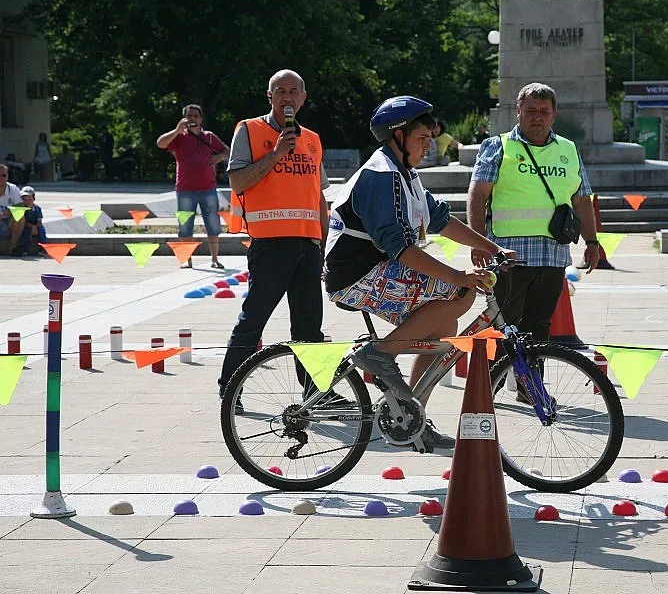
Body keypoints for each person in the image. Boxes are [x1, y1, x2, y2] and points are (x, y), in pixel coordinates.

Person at [325, 95, 513, 452]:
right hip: (355, 276)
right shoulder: (381, 176)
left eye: (430, 138)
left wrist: (492, 248)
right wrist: (458, 276)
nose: (428, 146)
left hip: (375, 269)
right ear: (398, 136)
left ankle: (412, 419)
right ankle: (379, 353)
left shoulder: (404, 175)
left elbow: (441, 220)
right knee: (459, 293)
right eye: (421, 138)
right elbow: (402, 250)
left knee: (443, 326)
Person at [218, 69, 330, 414]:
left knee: (310, 326)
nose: (287, 97)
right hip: (269, 244)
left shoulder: (312, 139)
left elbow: (319, 197)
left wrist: (324, 245)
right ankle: (229, 389)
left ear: (303, 98)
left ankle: (316, 393)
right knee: (253, 320)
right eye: (280, 91)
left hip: (308, 245)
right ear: (270, 97)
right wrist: (277, 153)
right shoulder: (249, 130)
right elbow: (238, 182)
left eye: (293, 91)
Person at [467, 82, 602, 356]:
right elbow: (477, 195)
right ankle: (495, 376)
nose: (537, 117)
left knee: (539, 328)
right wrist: (478, 242)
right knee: (503, 326)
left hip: (552, 257)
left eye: (543, 111)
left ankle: (531, 379)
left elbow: (582, 199)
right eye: (530, 111)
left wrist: (592, 241)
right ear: (518, 111)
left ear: (554, 114)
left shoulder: (568, 150)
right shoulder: (497, 147)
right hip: (508, 257)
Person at [156, 104, 230, 269]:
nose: (192, 119)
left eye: (195, 116)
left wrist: (218, 158)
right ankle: (187, 259)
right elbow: (160, 143)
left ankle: (214, 259)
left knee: (213, 224)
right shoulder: (179, 138)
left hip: (208, 188)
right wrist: (177, 130)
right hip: (185, 190)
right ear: (184, 118)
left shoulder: (209, 137)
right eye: (189, 116)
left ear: (201, 119)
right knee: (185, 227)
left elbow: (227, 151)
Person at [0, 163, 25, 254]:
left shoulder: (13, 189)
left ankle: (13, 247)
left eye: (3, 175)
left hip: (8, 222)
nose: (1, 178)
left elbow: (21, 205)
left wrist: (9, 212)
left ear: (7, 176)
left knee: (20, 217)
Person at [17, 186, 49, 256]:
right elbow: (21, 221)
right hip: (25, 226)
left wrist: (35, 227)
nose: (27, 201)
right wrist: (31, 227)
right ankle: (22, 248)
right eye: (24, 199)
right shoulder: (21, 208)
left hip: (35, 226)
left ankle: (44, 248)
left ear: (33, 198)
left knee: (41, 230)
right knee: (25, 232)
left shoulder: (37, 208)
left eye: (29, 199)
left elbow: (39, 221)